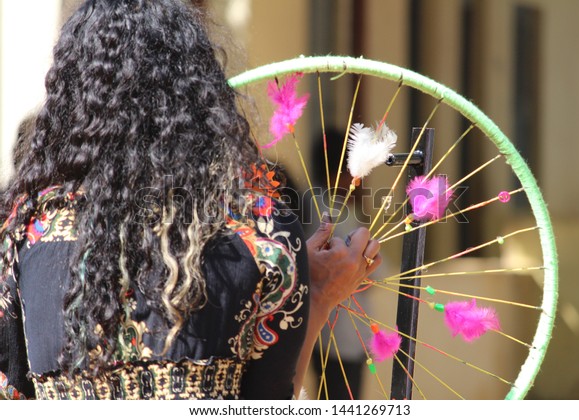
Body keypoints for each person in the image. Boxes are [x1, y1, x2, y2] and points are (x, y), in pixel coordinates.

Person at [0, 0, 381, 400]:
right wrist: (317, 296)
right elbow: (268, 404)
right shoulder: (260, 233)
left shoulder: (22, 238)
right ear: (198, 94)